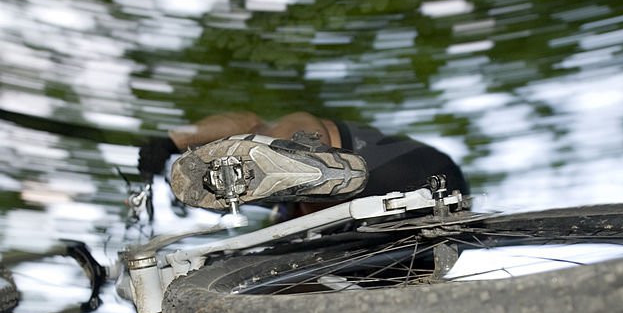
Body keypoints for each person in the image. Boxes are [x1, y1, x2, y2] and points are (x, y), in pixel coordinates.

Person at [137, 111, 470, 213]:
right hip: (423, 253)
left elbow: (249, 123)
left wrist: (170, 140)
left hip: (401, 169)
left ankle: (308, 157)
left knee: (272, 131)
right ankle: (307, 161)